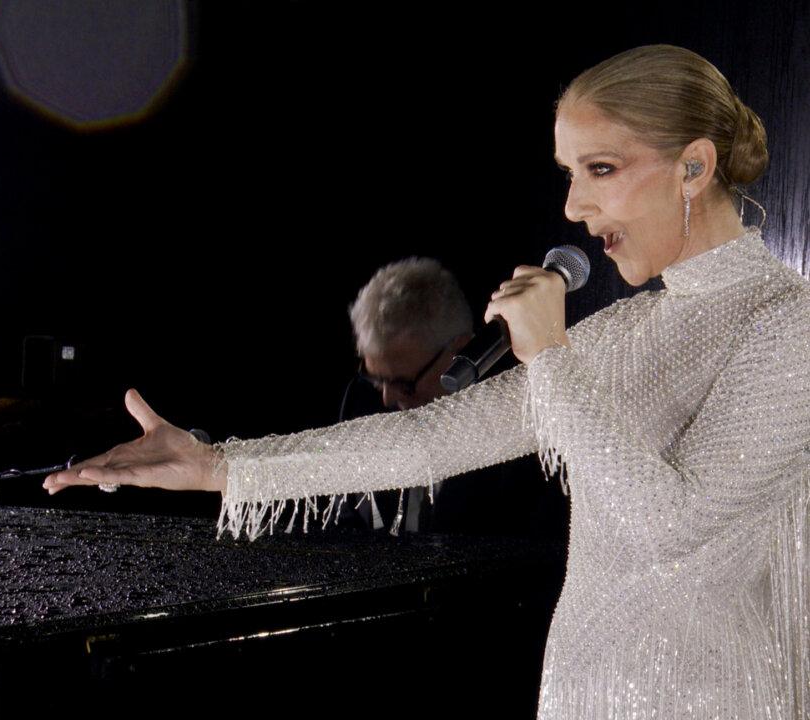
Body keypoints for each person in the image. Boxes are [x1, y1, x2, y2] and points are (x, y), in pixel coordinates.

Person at [44, 45, 808, 719]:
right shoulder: (619, 334)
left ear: (695, 166)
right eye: (570, 175)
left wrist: (547, 355)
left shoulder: (788, 324)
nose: (574, 206)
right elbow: (428, 438)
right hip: (582, 693)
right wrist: (219, 465)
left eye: (600, 169)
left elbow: (670, 526)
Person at [344, 256, 473, 532]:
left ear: (459, 352)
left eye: (404, 382)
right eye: (377, 379)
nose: (387, 399)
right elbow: (345, 523)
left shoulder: (520, 424)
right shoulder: (360, 399)